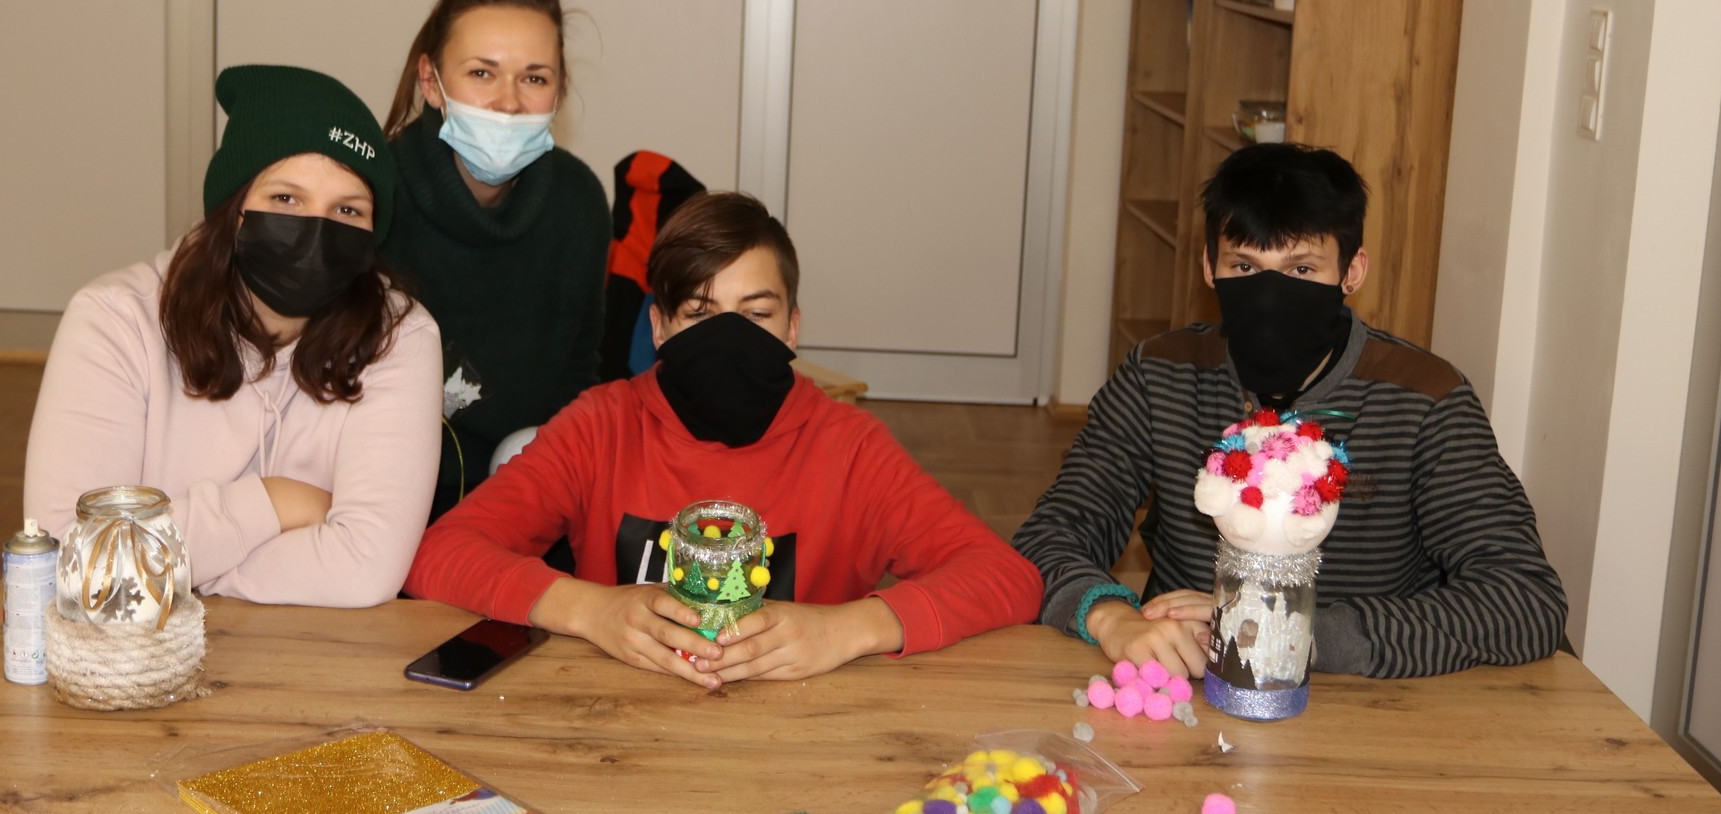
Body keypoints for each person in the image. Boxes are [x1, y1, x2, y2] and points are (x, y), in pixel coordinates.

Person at [404, 192, 1041, 688]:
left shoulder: (850, 449)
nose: (728, 336)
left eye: (756, 313)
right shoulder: (601, 427)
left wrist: (851, 628)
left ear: (793, 328)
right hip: (616, 727)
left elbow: (1006, 578)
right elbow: (440, 553)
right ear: (658, 327)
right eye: (700, 313)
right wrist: (589, 610)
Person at [1016, 143, 1566, 680]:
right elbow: (1052, 534)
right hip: (1188, 680)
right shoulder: (1159, 374)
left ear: (1352, 272)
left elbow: (1525, 599)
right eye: (1244, 265)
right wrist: (1108, 615)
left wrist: (1296, 635)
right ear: (1209, 266)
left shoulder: (1426, 399)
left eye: (1302, 269)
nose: (1270, 294)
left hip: (1360, 695)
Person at [23, 65, 443, 607]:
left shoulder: (400, 338)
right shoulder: (115, 321)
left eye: (347, 210)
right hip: (138, 655)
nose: (316, 230)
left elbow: (366, 571)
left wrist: (173, 570)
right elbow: (70, 561)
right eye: (286, 199)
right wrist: (272, 503)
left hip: (308, 651)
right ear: (232, 208)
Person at [381, 0, 610, 519]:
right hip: (386, 492)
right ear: (431, 82)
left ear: (559, 90)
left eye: (534, 78)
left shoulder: (578, 201)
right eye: (482, 73)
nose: (508, 102)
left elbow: (580, 378)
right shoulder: (371, 196)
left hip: (525, 495)